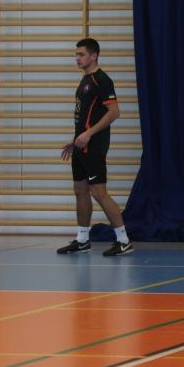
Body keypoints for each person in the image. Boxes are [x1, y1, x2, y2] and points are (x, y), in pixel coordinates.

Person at [57, 37, 133, 257]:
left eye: (81, 54)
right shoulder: (85, 80)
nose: (77, 58)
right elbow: (86, 117)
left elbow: (114, 112)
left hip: (94, 146)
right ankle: (82, 240)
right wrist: (75, 140)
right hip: (80, 146)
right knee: (80, 190)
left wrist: (89, 134)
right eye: (76, 54)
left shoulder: (102, 80)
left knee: (99, 192)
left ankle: (123, 240)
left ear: (94, 56)